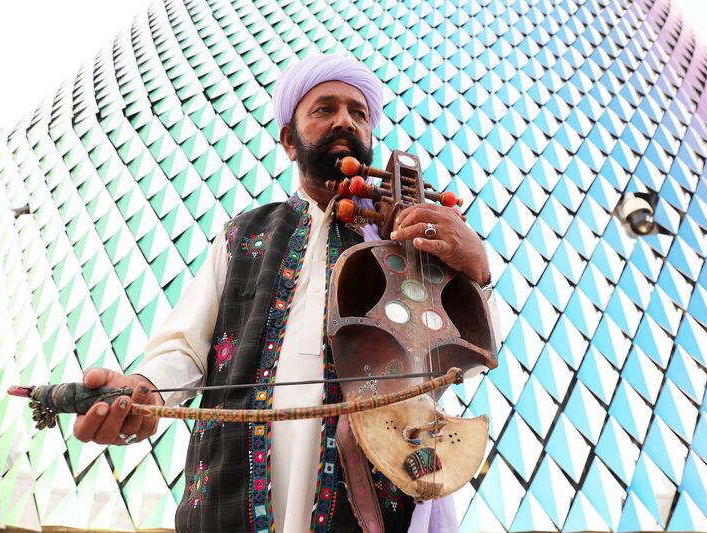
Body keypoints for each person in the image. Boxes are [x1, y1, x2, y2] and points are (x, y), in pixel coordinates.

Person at [73, 54, 499, 532]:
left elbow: (466, 349)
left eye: (359, 113)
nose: (345, 120)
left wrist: (475, 270)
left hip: (371, 489)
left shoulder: (409, 239)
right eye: (324, 109)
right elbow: (182, 347)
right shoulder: (243, 235)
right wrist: (146, 389)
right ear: (289, 141)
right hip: (233, 489)